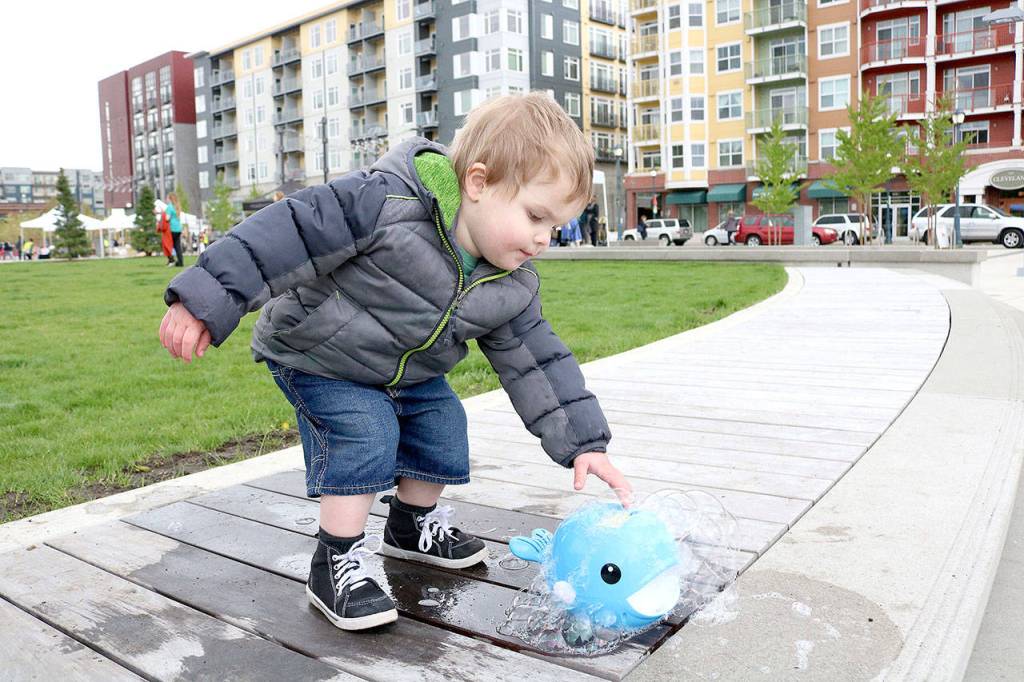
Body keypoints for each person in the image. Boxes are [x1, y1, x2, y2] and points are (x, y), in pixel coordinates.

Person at [158, 92, 631, 632]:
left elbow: (538, 362)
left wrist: (583, 443)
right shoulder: (383, 202)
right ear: (478, 183)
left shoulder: (510, 282)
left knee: (443, 424)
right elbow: (288, 233)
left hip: (404, 371)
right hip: (318, 354)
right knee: (365, 432)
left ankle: (411, 524)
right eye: (536, 216)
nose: (545, 239)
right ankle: (336, 560)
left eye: (557, 225)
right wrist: (206, 298)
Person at [165, 192, 185, 267]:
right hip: (178, 229)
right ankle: (180, 262)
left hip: (171, 229)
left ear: (170, 199)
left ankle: (171, 261)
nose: (166, 200)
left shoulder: (169, 207)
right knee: (177, 246)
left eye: (167, 198)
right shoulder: (177, 206)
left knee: (168, 245)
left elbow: (167, 218)